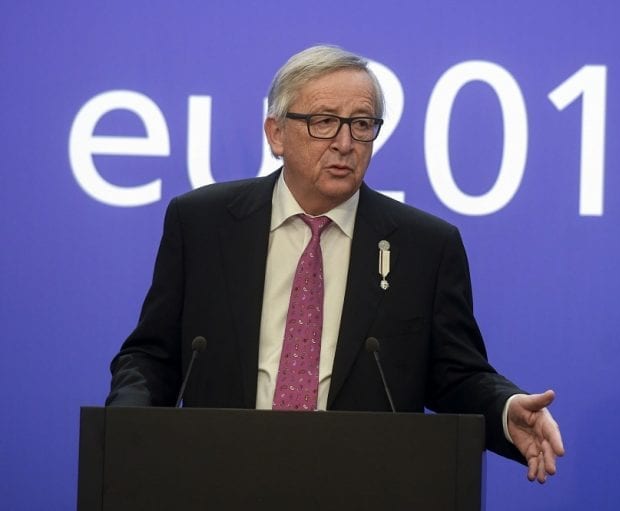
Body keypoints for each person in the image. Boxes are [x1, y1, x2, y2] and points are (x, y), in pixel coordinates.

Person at [106, 44, 564, 483]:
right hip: (218, 476)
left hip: (364, 483)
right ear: (276, 134)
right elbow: (153, 356)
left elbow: (456, 374)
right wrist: (125, 426)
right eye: (324, 122)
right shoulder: (203, 223)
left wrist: (505, 411)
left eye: (362, 124)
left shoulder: (426, 246)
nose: (345, 143)